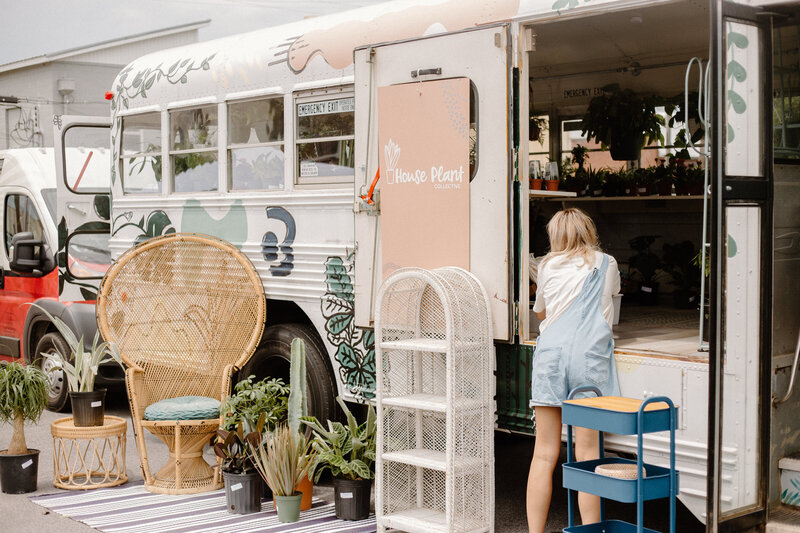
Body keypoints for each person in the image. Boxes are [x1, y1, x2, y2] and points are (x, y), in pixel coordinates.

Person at [526, 208, 621, 533]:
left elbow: (541, 313)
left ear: (556, 236)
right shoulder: (606, 263)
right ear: (588, 231)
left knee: (544, 454)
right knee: (587, 456)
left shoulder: (547, 266)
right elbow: (612, 303)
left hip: (550, 358)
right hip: (587, 361)